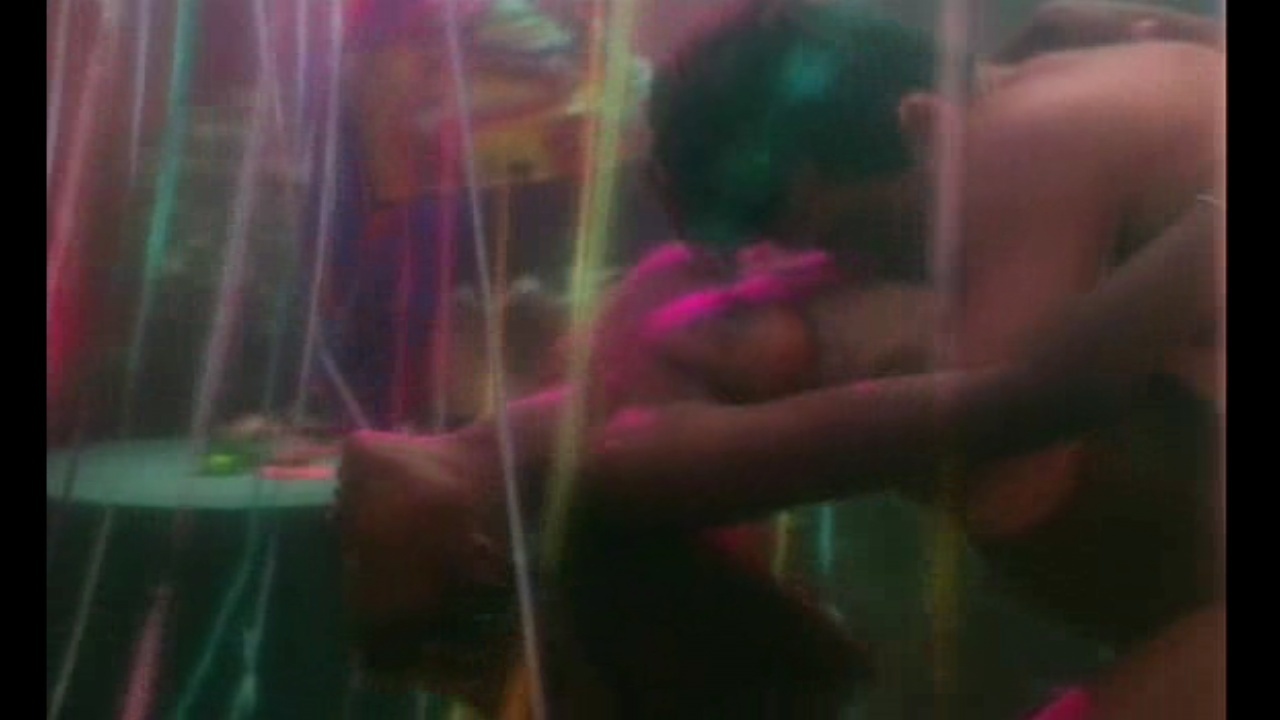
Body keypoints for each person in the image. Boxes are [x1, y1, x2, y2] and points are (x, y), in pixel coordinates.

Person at [338, 1, 1225, 717]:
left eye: (853, 233)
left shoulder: (1023, 136)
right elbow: (1027, 402)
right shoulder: (632, 440)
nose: (862, 261)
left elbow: (1029, 407)